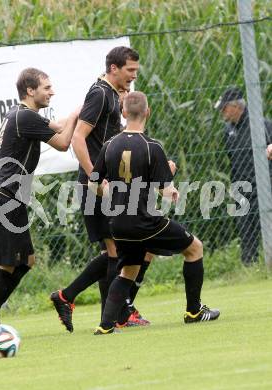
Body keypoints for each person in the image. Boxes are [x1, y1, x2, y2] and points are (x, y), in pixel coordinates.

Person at [88, 91, 220, 335]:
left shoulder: (109, 146)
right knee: (195, 248)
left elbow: (93, 185)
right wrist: (169, 173)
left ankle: (106, 326)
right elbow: (167, 193)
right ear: (147, 112)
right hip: (146, 221)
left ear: (123, 113)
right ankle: (194, 311)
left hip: (118, 223)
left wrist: (111, 196)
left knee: (129, 270)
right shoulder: (152, 147)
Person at [0, 67, 79, 342]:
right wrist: (79, 114)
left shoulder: (21, 115)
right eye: (46, 87)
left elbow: (59, 125)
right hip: (4, 198)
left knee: (26, 261)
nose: (51, 91)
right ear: (30, 91)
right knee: (6, 266)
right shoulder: (25, 116)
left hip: (10, 198)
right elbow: (64, 142)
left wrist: (81, 111)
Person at [50, 46, 152, 332]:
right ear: (113, 68)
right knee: (117, 250)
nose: (133, 76)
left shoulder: (112, 95)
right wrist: (96, 177)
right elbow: (78, 139)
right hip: (96, 185)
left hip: (108, 184)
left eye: (135, 70)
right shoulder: (99, 93)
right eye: (130, 70)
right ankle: (114, 317)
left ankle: (71, 298)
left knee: (120, 249)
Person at [215, 87, 272, 265]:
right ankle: (250, 267)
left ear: (235, 107)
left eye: (224, 108)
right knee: (245, 229)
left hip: (264, 187)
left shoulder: (261, 125)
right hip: (241, 189)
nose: (222, 113)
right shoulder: (229, 131)